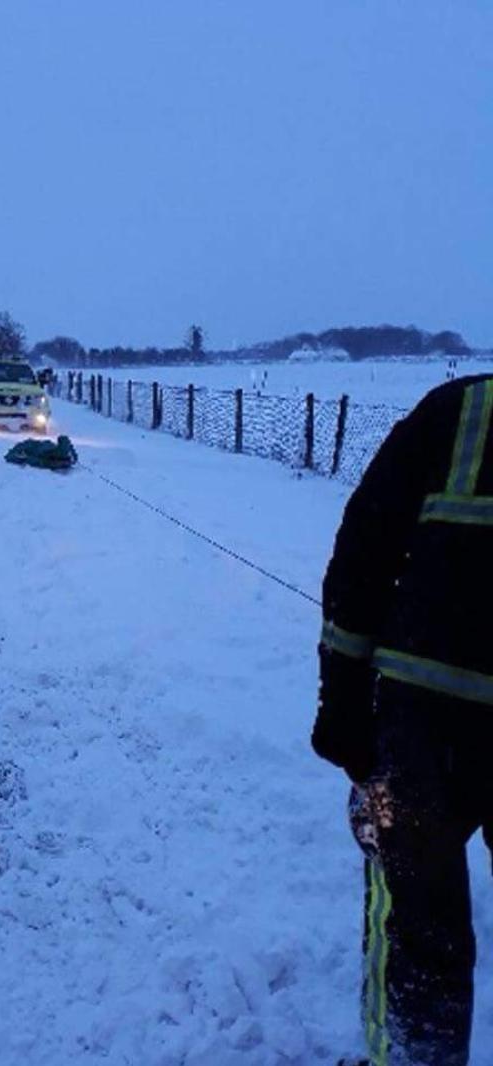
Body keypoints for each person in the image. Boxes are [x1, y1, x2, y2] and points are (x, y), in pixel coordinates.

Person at [312, 374, 493, 1066]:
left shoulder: (458, 410)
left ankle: (411, 1056)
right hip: (419, 734)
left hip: (421, 733)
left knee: (419, 930)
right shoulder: (454, 412)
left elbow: (362, 557)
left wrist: (343, 701)